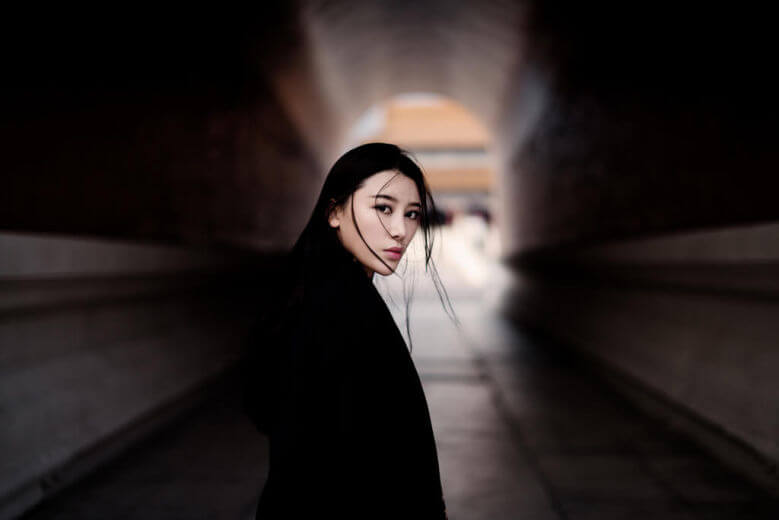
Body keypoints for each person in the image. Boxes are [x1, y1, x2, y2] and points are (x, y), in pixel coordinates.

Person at [241, 142, 457, 519]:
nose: (400, 231)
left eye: (412, 214)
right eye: (384, 208)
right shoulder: (338, 310)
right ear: (335, 211)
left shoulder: (320, 296)